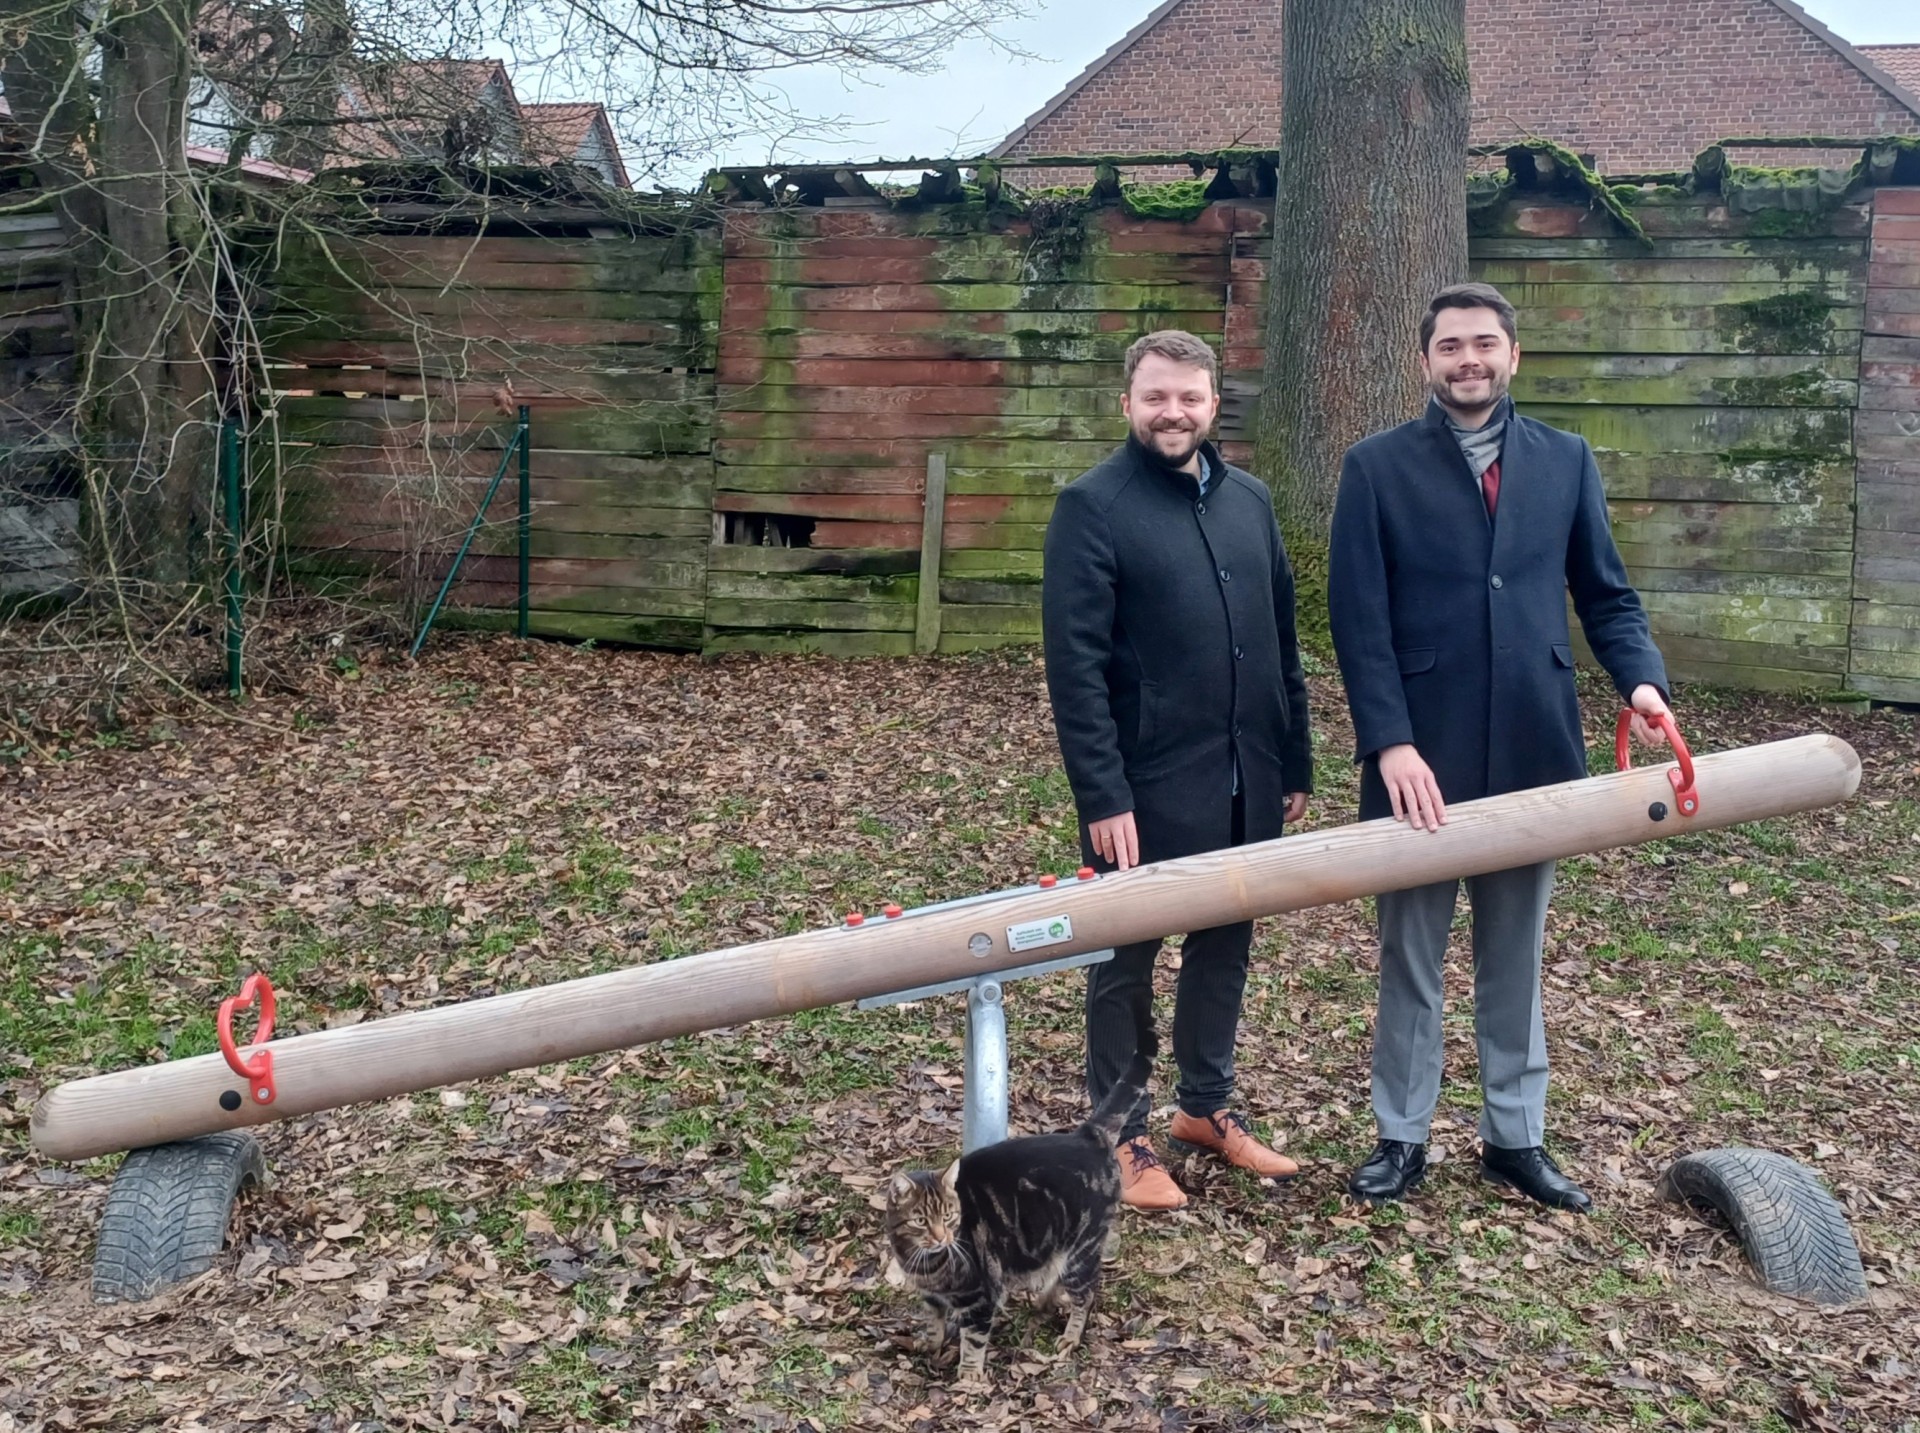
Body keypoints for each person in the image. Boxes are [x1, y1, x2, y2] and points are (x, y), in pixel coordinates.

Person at [1328, 282, 1673, 1213]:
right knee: (1411, 956)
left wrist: (1641, 683)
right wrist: (1390, 744)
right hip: (1420, 761)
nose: (1468, 359)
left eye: (1484, 343)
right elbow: (1358, 621)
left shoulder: (1566, 460)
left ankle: (1514, 1136)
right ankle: (1401, 1135)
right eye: (1450, 346)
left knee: (1514, 958)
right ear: (1426, 361)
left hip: (1532, 748)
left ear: (1513, 355)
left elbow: (1606, 594)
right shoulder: (1374, 468)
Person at [1041, 330, 1314, 1212]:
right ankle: (1119, 1133)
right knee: (1127, 958)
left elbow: (1281, 641)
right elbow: (1075, 669)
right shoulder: (1093, 507)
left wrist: (1294, 757)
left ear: (1213, 404)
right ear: (1127, 402)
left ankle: (1204, 1106)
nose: (1174, 412)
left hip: (1247, 771)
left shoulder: (1251, 501)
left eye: (1190, 397)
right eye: (1156, 396)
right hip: (1143, 785)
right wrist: (1102, 793)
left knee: (1225, 943)